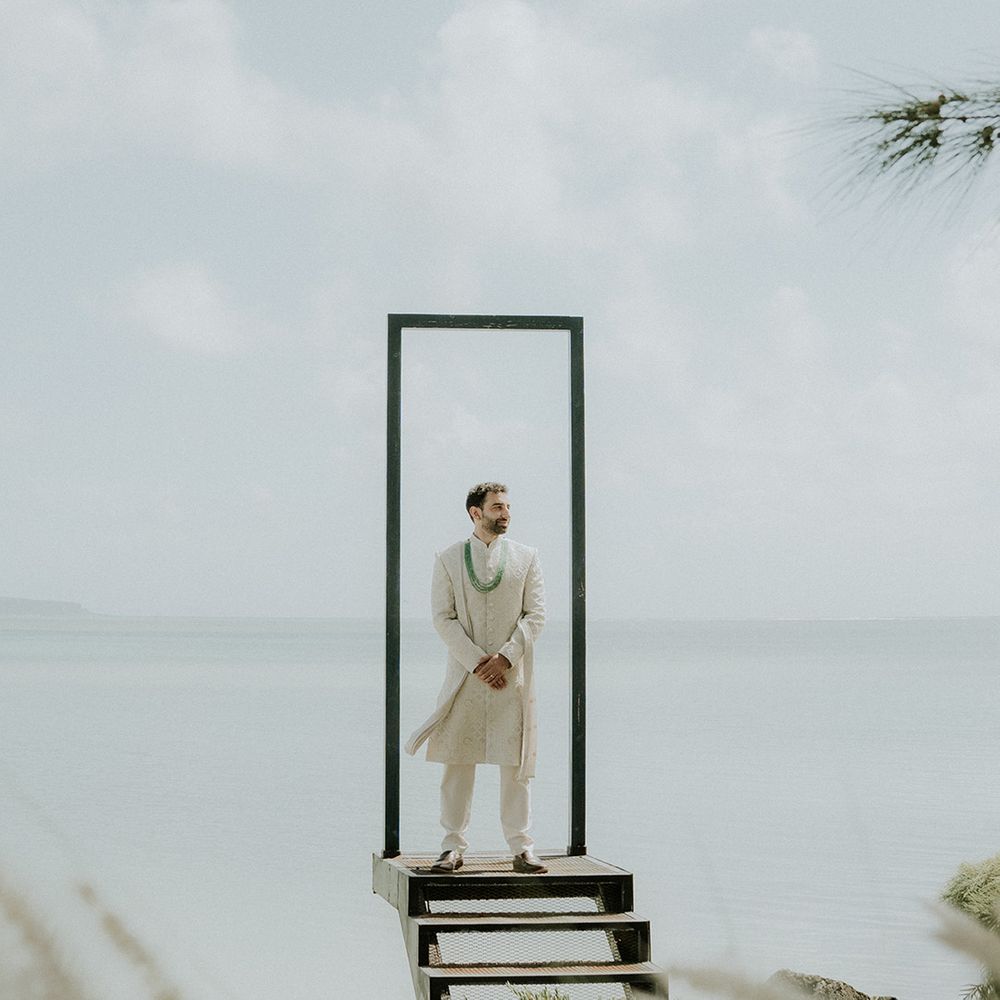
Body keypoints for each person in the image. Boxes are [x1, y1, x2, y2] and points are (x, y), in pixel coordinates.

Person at [405, 482, 547, 874]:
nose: (505, 513)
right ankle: (452, 847)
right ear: (475, 513)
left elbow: (535, 615)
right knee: (457, 763)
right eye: (497, 507)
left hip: (510, 678)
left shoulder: (526, 557)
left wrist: (504, 658)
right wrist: (476, 663)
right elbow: (442, 618)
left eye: (507, 507)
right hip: (464, 679)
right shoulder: (448, 559)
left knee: (515, 766)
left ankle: (521, 847)